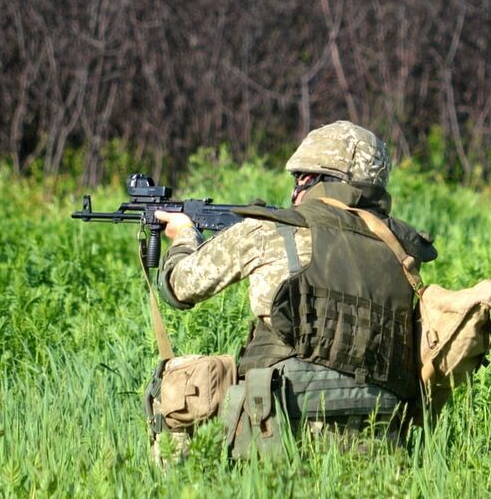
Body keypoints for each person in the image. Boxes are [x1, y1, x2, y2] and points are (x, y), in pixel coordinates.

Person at [148, 120, 437, 458]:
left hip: (283, 425)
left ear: (307, 178)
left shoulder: (271, 230)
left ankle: (177, 493)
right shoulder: (401, 249)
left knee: (177, 379)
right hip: (383, 432)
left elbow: (179, 287)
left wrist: (183, 235)